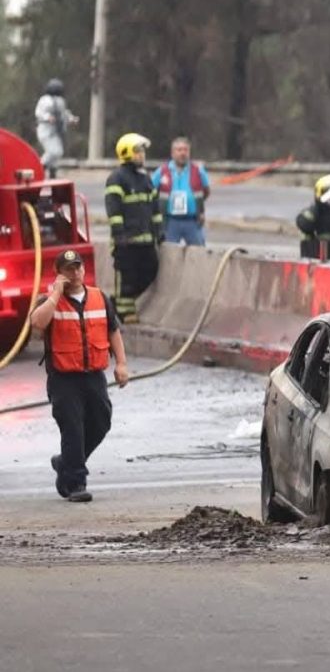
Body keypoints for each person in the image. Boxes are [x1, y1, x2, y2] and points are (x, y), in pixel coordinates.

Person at [29, 249, 130, 503]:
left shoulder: (99, 298)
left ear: (84, 270)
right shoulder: (49, 301)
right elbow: (37, 323)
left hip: (93, 375)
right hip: (64, 378)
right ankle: (75, 482)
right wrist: (55, 294)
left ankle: (66, 462)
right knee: (72, 428)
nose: (75, 273)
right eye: (69, 269)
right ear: (59, 274)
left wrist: (121, 364)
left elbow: (113, 331)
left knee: (101, 421)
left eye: (78, 268)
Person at [105, 133, 162, 323]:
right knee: (126, 278)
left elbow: (155, 209)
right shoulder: (117, 179)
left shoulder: (145, 179)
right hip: (126, 242)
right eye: (138, 151)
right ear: (126, 153)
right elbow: (114, 210)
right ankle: (123, 312)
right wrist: (119, 235)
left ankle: (117, 306)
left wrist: (159, 231)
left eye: (143, 151)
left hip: (146, 240)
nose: (142, 155)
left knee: (150, 271)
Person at [151, 136, 211, 246]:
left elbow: (206, 191)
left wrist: (195, 205)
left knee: (198, 253)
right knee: (167, 254)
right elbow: (150, 191)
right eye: (179, 150)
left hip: (193, 221)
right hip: (169, 221)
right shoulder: (162, 171)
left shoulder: (198, 171)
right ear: (172, 153)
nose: (183, 153)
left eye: (185, 150)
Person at [34, 78, 78, 179]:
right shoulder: (44, 100)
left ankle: (52, 172)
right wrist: (47, 117)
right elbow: (39, 113)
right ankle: (40, 166)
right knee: (53, 151)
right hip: (45, 130)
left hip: (56, 131)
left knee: (58, 152)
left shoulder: (61, 101)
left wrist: (71, 119)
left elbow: (64, 113)